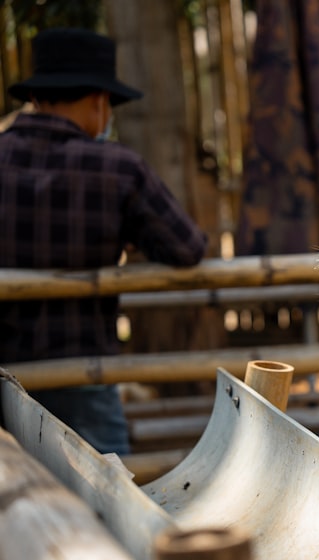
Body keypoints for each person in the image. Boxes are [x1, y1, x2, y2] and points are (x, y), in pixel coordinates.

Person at [0, 27, 207, 456]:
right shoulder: (118, 169)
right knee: (106, 487)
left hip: (5, 373)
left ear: (34, 97)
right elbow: (187, 247)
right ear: (99, 102)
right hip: (85, 378)